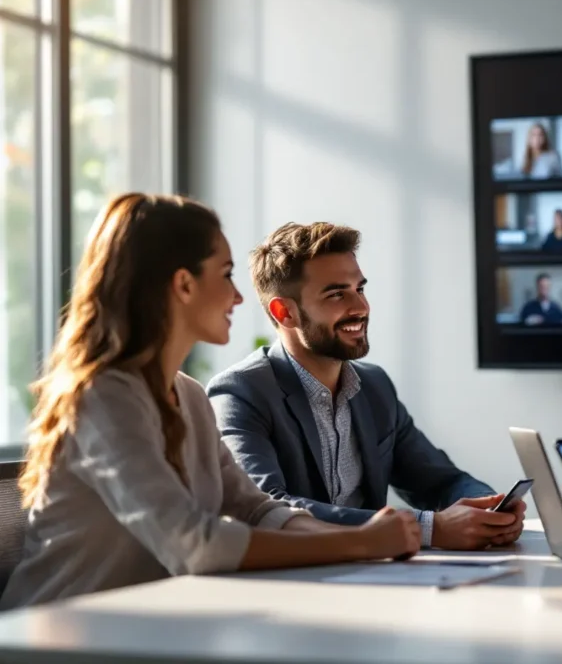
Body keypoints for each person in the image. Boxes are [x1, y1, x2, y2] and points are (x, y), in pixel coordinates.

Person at [0, 195, 420, 609]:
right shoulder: (102, 396)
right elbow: (192, 543)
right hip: (56, 638)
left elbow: (254, 508)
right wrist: (357, 542)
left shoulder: (189, 395)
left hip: (145, 631)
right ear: (184, 284)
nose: (238, 297)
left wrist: (363, 540)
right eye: (226, 274)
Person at [208, 222, 525, 551]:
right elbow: (266, 506)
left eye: (359, 289)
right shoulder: (240, 393)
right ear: (284, 312)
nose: (360, 307)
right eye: (336, 294)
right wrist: (429, 529)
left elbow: (438, 479)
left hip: (375, 577)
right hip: (294, 583)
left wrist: (490, 507)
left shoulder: (374, 387)